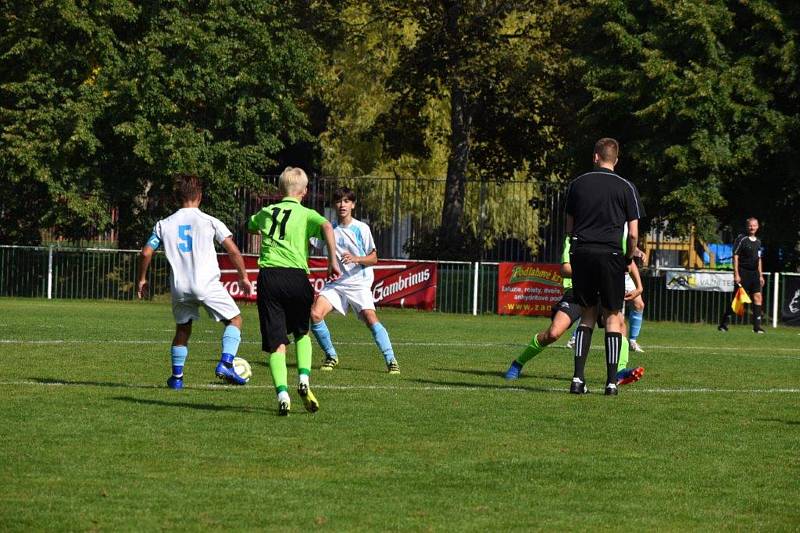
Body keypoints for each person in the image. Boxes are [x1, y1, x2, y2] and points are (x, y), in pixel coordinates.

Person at [137, 174, 253, 389]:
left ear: (176, 198)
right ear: (199, 196)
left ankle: (177, 379)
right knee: (235, 320)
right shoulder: (210, 221)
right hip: (206, 284)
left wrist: (142, 279)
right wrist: (243, 277)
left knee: (183, 329)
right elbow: (233, 251)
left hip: (180, 288)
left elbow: (145, 253)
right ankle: (226, 363)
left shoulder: (164, 224)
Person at [248, 167, 340, 416]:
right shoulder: (306, 213)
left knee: (277, 342)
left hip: (269, 277)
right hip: (297, 277)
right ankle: (304, 380)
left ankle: (282, 395)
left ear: (280, 190)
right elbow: (327, 228)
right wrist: (333, 260)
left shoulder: (266, 212)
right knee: (302, 333)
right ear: (304, 191)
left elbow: (250, 226)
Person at [504, 236, 644, 387]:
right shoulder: (574, 237)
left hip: (604, 288)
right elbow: (565, 269)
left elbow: (628, 261)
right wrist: (597, 270)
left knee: (620, 324)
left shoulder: (612, 232)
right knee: (553, 333)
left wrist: (639, 286)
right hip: (577, 290)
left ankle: (620, 371)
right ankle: (518, 363)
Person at [565, 138, 644, 396]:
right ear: (616, 160)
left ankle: (578, 379)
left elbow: (569, 227)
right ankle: (611, 383)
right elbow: (632, 234)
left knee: (587, 314)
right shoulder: (626, 187)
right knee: (612, 316)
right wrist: (628, 258)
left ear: (595, 157)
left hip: (582, 252)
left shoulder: (577, 184)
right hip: (611, 254)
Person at [310, 187, 400, 374]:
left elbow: (374, 258)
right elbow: (312, 242)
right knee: (315, 314)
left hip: (359, 282)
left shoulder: (361, 228)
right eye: (338, 201)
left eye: (346, 201)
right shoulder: (328, 228)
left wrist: (356, 258)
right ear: (334, 205)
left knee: (370, 318)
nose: (342, 205)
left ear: (353, 204)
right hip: (336, 283)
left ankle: (391, 360)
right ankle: (331, 355)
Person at [718, 217, 765, 333]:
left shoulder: (758, 241)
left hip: (754, 274)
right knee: (738, 300)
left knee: (757, 297)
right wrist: (736, 274)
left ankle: (757, 327)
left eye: (754, 225)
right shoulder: (741, 239)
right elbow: (735, 256)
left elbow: (759, 259)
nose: (752, 227)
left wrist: (760, 275)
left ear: (758, 226)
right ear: (747, 226)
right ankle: (724, 324)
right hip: (743, 273)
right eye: (750, 225)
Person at [626, 247, 646, 352]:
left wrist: (638, 252)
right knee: (593, 306)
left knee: (639, 305)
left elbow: (629, 241)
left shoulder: (623, 230)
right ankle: (575, 338)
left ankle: (632, 341)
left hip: (624, 274)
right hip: (609, 268)